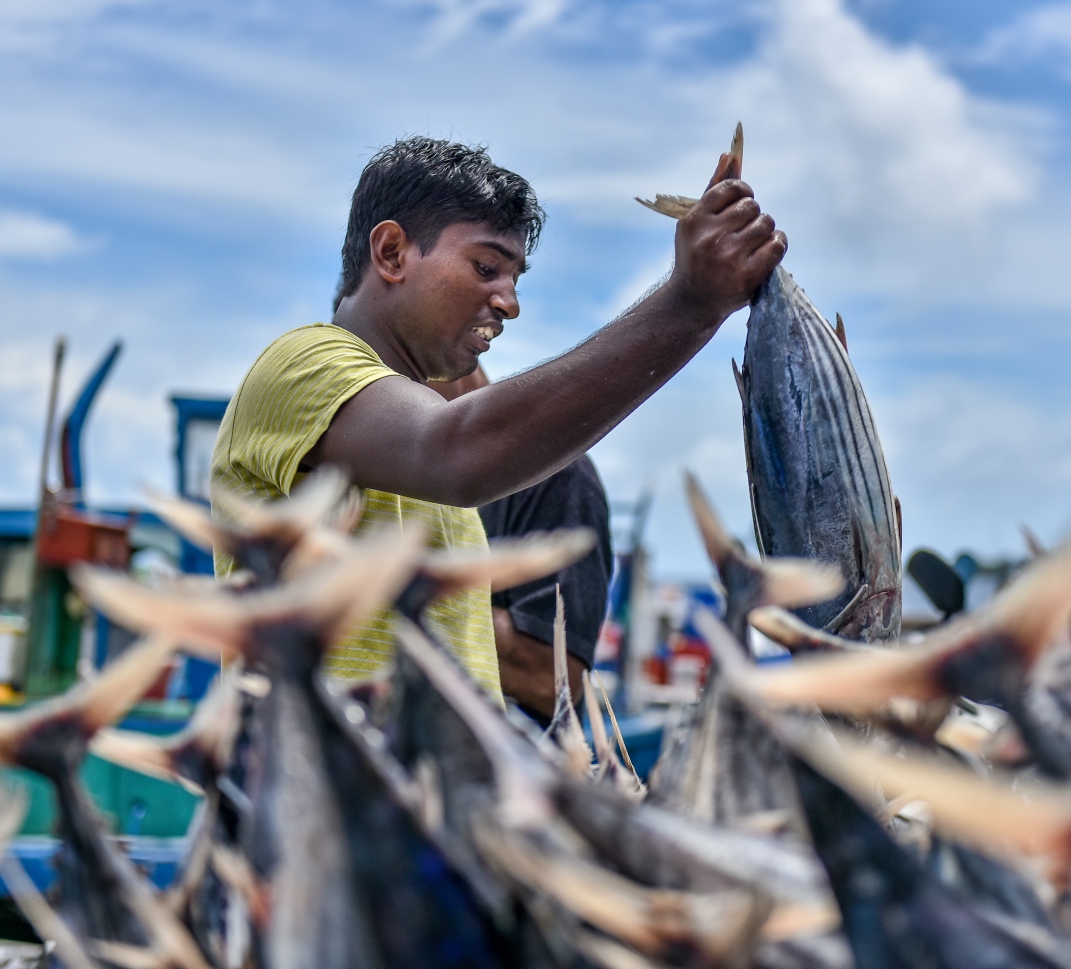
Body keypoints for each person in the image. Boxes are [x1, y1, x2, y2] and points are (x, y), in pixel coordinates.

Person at [211, 136, 783, 699]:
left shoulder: (415, 454)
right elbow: (451, 452)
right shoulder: (303, 363)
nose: (510, 302)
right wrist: (690, 304)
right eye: (487, 267)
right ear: (390, 253)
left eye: (515, 279)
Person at [434, 366, 614, 722]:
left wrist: (390, 597)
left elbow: (553, 681)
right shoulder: (390, 469)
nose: (378, 402)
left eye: (390, 375)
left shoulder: (555, 473)